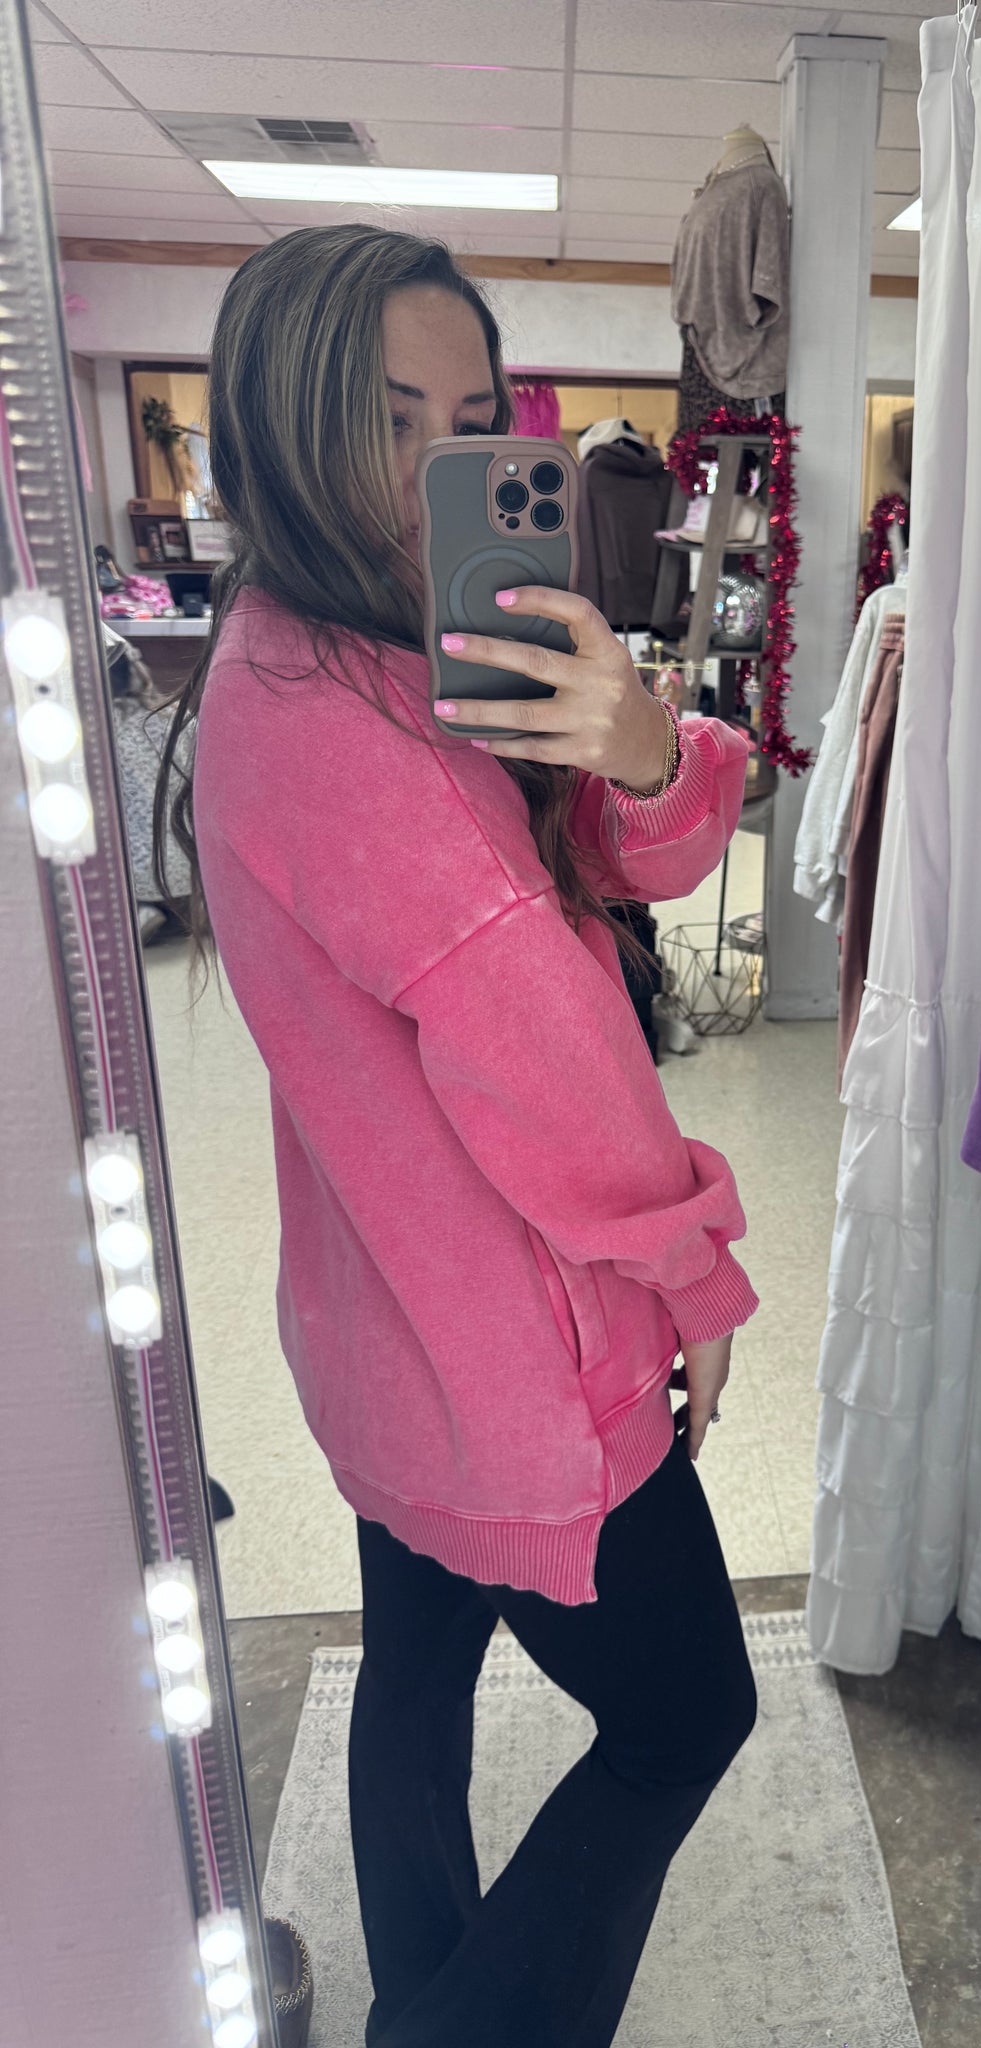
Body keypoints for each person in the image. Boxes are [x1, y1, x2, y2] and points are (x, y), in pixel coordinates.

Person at [151, 225, 760, 2048]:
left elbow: (628, 871)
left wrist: (634, 745)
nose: (431, 464)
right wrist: (692, 1274)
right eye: (384, 419)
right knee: (685, 1713)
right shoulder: (338, 721)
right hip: (506, 1351)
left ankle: (418, 1995)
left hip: (384, 1333)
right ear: (280, 431)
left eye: (468, 414)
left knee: (413, 1690)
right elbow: (548, 1059)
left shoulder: (354, 651)